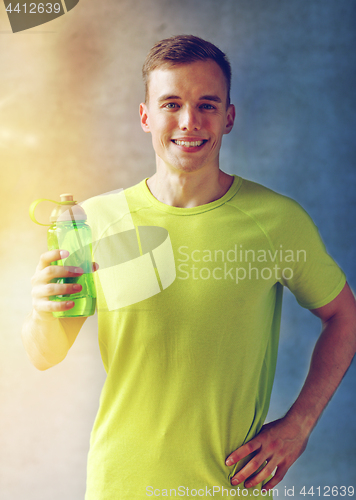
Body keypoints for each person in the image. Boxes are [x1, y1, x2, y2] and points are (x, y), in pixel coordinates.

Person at [22, 35, 356, 499]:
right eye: (171, 103)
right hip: (119, 486)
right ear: (145, 116)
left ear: (229, 117)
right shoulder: (95, 223)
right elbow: (45, 353)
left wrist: (300, 425)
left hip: (229, 487)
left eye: (207, 104)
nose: (189, 121)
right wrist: (43, 310)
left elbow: (344, 315)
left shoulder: (277, 222)